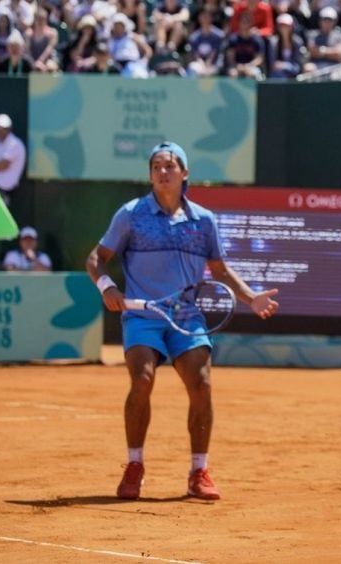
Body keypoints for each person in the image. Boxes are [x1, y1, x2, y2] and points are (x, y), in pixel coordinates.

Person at [86, 142, 279, 500]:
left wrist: (251, 297)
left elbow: (219, 270)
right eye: (156, 166)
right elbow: (97, 258)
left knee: (202, 384)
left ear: (185, 173)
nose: (162, 172)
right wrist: (107, 286)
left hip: (187, 318)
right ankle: (135, 464)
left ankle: (198, 471)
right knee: (141, 380)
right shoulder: (130, 214)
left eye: (170, 166)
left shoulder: (204, 221)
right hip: (142, 315)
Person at [0, 113, 26, 207]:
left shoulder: (15, 144)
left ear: (8, 129)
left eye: (2, 128)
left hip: (7, 190)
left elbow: (2, 165)